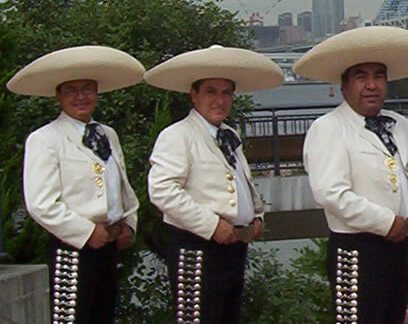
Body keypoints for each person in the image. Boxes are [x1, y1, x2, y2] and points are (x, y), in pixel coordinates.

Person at [293, 26, 408, 324]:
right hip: (356, 252)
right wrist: (387, 222)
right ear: (344, 86)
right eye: (361, 76)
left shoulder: (399, 124)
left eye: (379, 76)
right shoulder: (328, 128)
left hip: (399, 247)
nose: (371, 85)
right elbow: (331, 194)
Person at [145, 45, 283, 323]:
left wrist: (257, 215)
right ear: (193, 96)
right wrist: (211, 226)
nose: (219, 100)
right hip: (196, 247)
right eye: (211, 91)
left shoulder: (229, 135)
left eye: (226, 93)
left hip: (233, 246)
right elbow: (162, 192)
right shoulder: (177, 135)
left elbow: (242, 181)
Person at [8, 45, 145, 324]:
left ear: (97, 92)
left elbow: (121, 186)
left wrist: (129, 222)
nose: (80, 97)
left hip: (109, 246)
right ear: (57, 96)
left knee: (103, 316)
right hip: (71, 248)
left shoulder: (108, 134)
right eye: (71, 90)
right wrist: (85, 232)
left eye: (87, 89)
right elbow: (41, 203)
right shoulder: (45, 138)